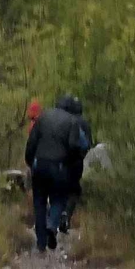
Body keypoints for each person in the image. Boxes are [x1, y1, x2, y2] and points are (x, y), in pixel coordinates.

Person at [24, 94, 91, 252]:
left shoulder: (43, 117)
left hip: (39, 164)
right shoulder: (72, 121)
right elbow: (76, 145)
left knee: (39, 202)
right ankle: (52, 226)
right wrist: (70, 162)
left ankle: (41, 244)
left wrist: (30, 162)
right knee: (58, 198)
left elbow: (32, 142)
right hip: (59, 166)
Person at [56, 95, 92, 233]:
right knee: (74, 190)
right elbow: (87, 144)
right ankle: (66, 215)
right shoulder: (82, 123)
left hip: (58, 160)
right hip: (76, 161)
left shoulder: (59, 121)